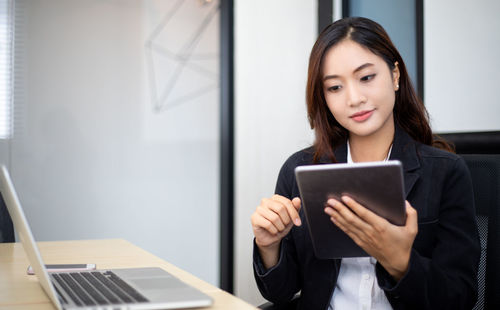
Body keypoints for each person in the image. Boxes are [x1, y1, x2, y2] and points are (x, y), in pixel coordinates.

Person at [251, 17, 480, 310]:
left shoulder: (446, 172)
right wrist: (269, 247)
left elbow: (459, 297)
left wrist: (399, 262)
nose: (354, 99)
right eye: (335, 87)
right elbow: (281, 292)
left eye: (366, 78)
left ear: (395, 76)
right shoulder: (300, 170)